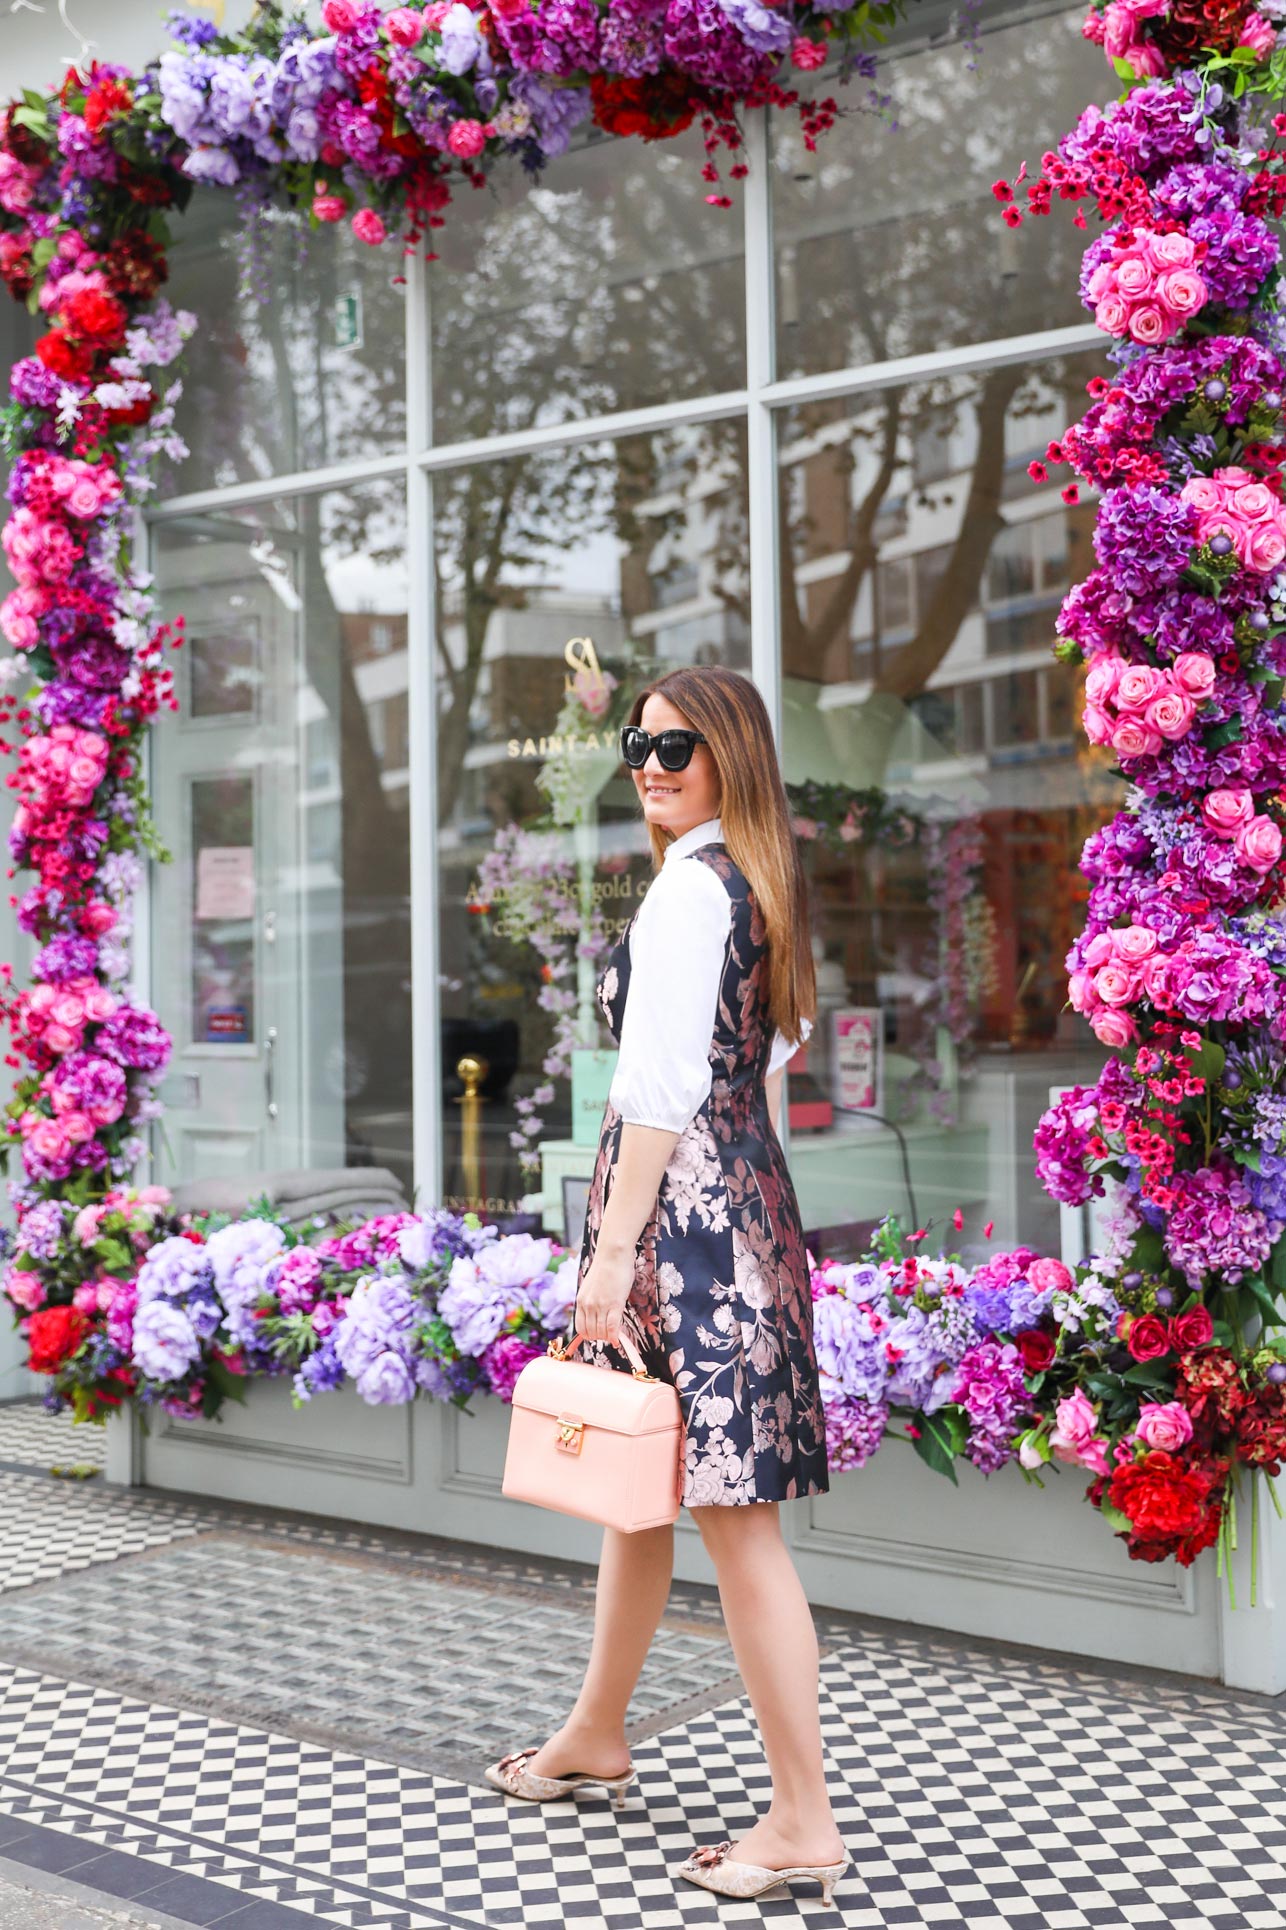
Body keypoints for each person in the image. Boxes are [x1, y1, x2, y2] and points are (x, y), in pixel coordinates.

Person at [486, 665, 847, 1908]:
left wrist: (606, 1250)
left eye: (675, 743)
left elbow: (656, 1093)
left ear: (728, 753)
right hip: (742, 1205)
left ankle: (801, 1814)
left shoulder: (690, 890)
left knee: (734, 1527)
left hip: (684, 1224)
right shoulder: (750, 882)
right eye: (636, 740)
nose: (647, 761)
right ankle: (596, 1727)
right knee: (642, 1496)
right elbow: (767, 1051)